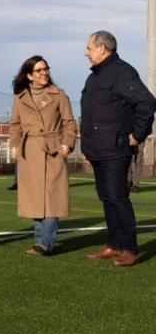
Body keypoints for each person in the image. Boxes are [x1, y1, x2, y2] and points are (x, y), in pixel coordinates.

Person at [81, 31, 156, 267]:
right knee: (106, 197)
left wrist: (137, 135)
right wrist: (86, 147)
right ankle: (113, 245)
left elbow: (147, 102)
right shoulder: (94, 77)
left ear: (102, 48)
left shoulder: (122, 72)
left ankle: (130, 249)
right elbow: (91, 115)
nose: (86, 53)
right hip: (98, 149)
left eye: (89, 48)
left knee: (118, 197)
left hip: (116, 147)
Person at [9, 56, 77, 256]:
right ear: (29, 75)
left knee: (52, 197)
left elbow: (70, 123)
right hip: (29, 151)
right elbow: (15, 126)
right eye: (39, 70)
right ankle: (40, 240)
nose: (44, 73)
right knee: (35, 198)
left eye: (46, 69)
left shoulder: (59, 95)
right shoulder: (20, 97)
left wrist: (68, 143)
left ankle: (45, 242)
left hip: (53, 150)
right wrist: (14, 145)